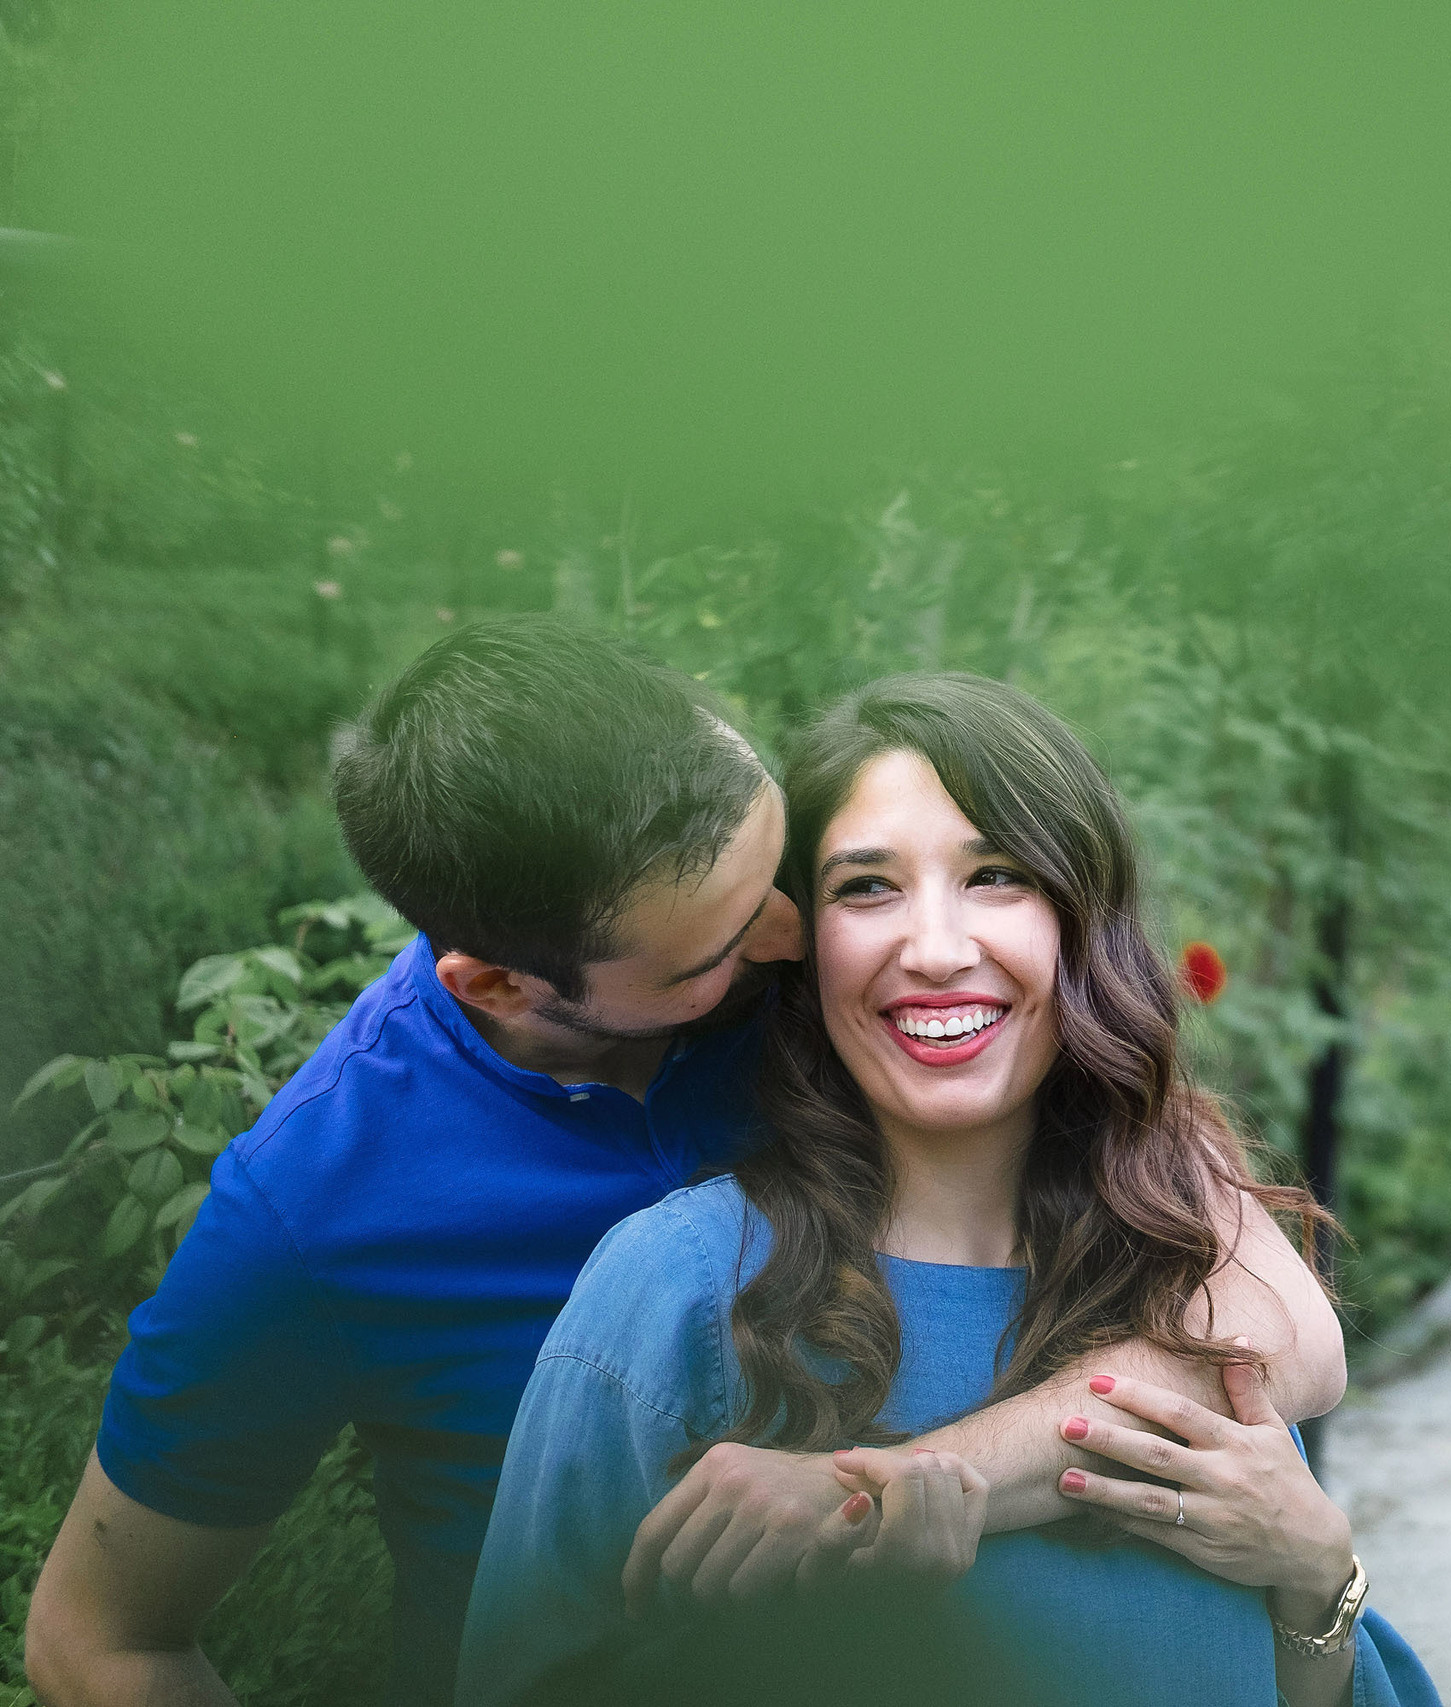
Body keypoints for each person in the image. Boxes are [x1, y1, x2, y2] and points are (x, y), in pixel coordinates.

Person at [24, 620, 1343, 1707]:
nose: (790, 936)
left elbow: (1268, 1320)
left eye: (790, 871)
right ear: (504, 981)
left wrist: (890, 1489)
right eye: (715, 945)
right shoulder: (320, 1201)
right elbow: (102, 1638)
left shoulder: (858, 985)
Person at [459, 673, 1436, 1707]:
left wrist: (1317, 1581)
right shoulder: (680, 1292)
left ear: (1079, 918)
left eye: (997, 875)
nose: (934, 950)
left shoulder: (1194, 1284)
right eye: (866, 887)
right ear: (798, 939)